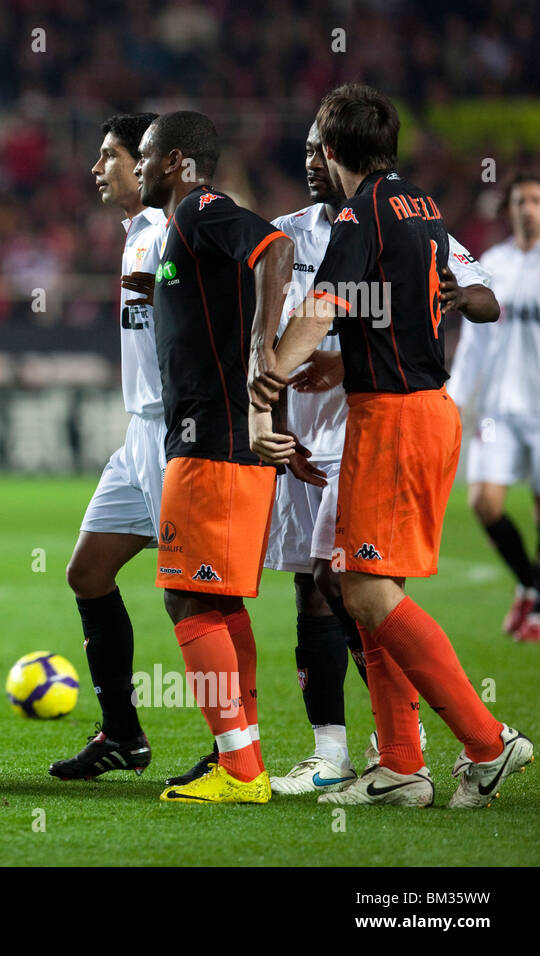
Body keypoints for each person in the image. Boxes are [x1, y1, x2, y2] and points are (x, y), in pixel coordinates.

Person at [251, 83, 532, 808]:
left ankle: (487, 741)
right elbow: (464, 293)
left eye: (318, 138)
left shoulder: (363, 211)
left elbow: (321, 309)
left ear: (335, 147)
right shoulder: (419, 204)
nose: (311, 151)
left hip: (396, 418)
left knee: (369, 591)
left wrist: (270, 372)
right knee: (358, 585)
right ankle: (402, 765)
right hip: (410, 413)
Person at [134, 110, 295, 804]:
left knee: (185, 596)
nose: (138, 168)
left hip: (216, 441)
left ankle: (239, 769)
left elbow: (276, 247)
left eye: (144, 155)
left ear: (175, 160)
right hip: (214, 438)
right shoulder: (180, 230)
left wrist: (264, 349)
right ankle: (244, 760)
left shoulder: (202, 207)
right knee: (217, 598)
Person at [48, 113, 165, 781]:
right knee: (88, 572)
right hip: (138, 434)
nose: (97, 169)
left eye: (109, 156)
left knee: (200, 594)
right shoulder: (136, 236)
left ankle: (236, 751)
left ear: (148, 161)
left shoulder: (175, 230)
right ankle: (122, 733)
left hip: (181, 431)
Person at [448, 172, 540, 643]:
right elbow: (474, 340)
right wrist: (458, 396)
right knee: (485, 502)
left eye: (535, 201)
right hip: (499, 407)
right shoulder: (494, 264)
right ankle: (530, 583)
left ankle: (535, 604)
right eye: (520, 200)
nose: (527, 209)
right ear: (509, 210)